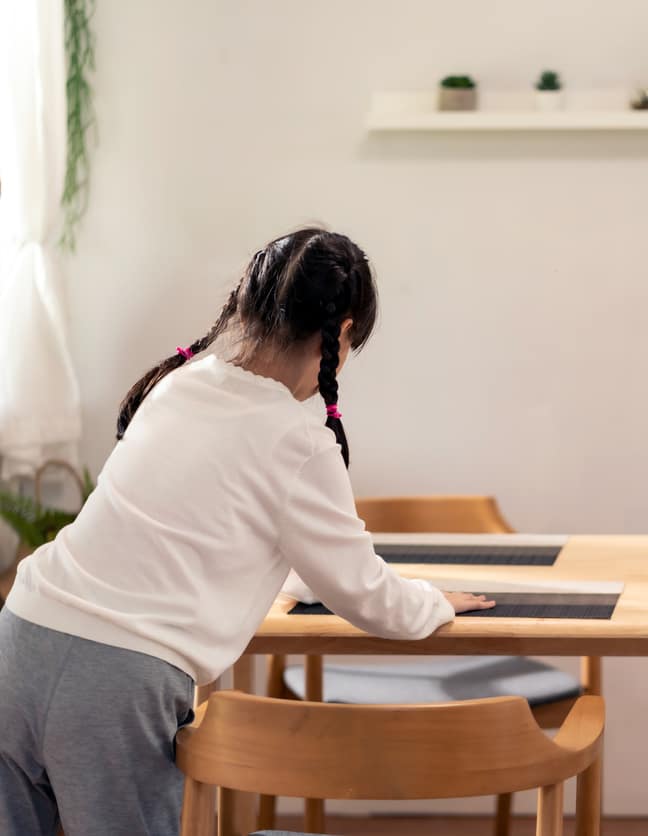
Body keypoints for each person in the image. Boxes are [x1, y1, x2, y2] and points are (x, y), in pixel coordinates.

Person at [0, 227, 493, 835]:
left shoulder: (180, 384)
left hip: (20, 636)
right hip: (117, 682)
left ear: (245, 306)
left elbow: (188, 526)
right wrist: (433, 603)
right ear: (340, 336)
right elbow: (368, 595)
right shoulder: (300, 439)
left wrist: (292, 577)